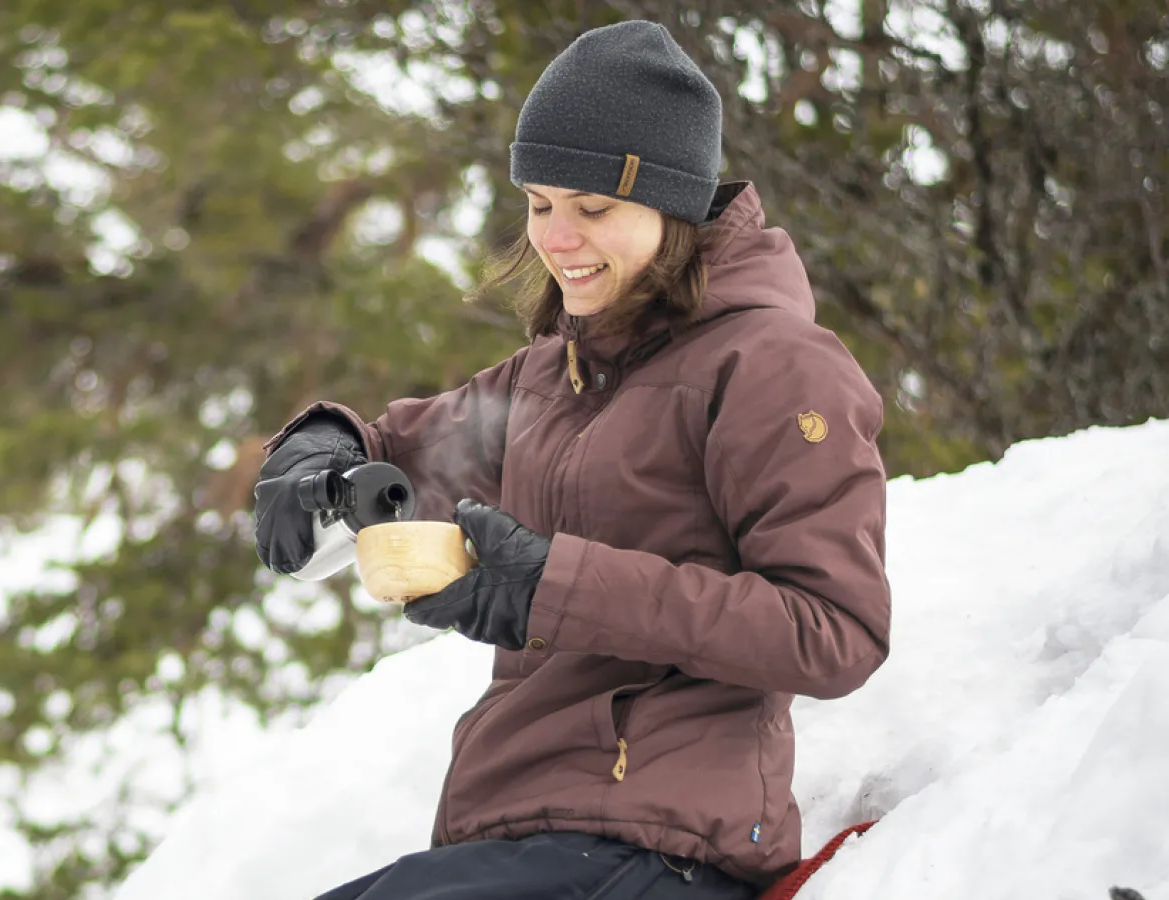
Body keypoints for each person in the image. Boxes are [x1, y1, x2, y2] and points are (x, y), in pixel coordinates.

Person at [251, 20, 892, 900]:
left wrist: (549, 584)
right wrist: (316, 455)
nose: (556, 239)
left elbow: (834, 633)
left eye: (593, 209)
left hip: (661, 848)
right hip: (507, 842)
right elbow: (396, 453)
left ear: (673, 208)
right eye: (540, 204)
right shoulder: (553, 374)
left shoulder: (775, 366)